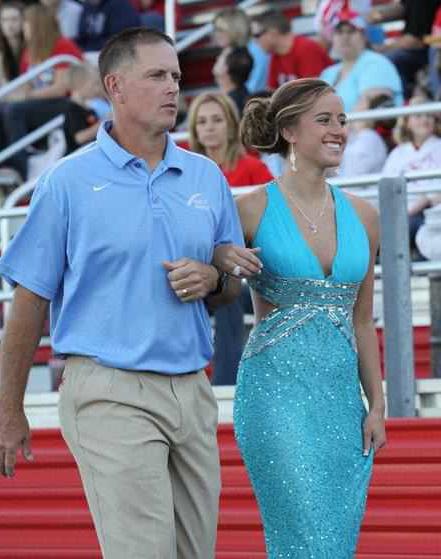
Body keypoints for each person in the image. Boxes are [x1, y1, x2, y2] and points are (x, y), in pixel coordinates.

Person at [0, 27, 245, 559]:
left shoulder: (206, 177)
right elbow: (29, 300)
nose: (173, 87)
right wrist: (8, 409)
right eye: (156, 75)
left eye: (175, 76)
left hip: (192, 388)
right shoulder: (65, 182)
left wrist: (214, 278)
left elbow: (229, 285)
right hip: (108, 389)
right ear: (114, 86)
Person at [213, 78, 386, 557]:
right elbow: (221, 293)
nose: (339, 130)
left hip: (342, 404)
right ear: (289, 131)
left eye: (343, 120)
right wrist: (221, 262)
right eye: (324, 120)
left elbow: (362, 321)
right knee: (302, 534)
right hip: (275, 397)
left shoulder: (365, 217)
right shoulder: (247, 211)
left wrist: (376, 405)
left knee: (335, 541)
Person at [188, 91, 272, 385]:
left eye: (217, 120)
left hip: (246, 278)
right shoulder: (187, 173)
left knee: (229, 290)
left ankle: (226, 384)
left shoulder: (254, 169)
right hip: (198, 271)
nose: (209, 127)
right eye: (202, 122)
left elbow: (271, 227)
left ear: (231, 125)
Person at [382, 95, 441, 255]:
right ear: (407, 122)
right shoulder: (398, 153)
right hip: (402, 210)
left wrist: (420, 204)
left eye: (429, 115)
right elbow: (387, 186)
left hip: (431, 211)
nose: (425, 119)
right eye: (418, 115)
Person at [319, 8, 403, 112]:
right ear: (332, 38)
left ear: (364, 36)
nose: (345, 37)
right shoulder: (328, 73)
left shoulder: (376, 63)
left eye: (351, 31)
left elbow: (368, 112)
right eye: (339, 32)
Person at [368, 0, 440, 99]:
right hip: (423, 46)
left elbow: (415, 41)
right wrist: (375, 14)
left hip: (426, 51)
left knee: (386, 61)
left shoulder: (422, 3)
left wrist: (380, 50)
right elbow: (402, 7)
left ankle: (401, 102)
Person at [250, 10, 332, 90]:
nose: (254, 41)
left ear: (273, 33)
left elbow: (313, 93)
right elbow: (271, 91)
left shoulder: (306, 49)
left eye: (257, 35)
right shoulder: (276, 55)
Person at [212, 7, 270, 94]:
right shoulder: (231, 51)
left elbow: (251, 92)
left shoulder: (255, 52)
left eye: (220, 30)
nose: (216, 34)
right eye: (215, 29)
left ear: (235, 29)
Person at [338, 93, 395, 177]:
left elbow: (354, 176)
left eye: (360, 102)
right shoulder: (355, 137)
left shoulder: (369, 138)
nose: (354, 106)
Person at [76, 0, 140, 52]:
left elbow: (121, 39)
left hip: (117, 53)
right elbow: (82, 37)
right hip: (91, 53)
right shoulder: (87, 6)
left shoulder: (119, 5)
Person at [213, 45, 253, 116]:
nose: (217, 57)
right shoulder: (245, 97)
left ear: (225, 68)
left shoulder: (228, 106)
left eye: (221, 57)